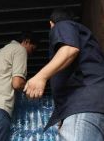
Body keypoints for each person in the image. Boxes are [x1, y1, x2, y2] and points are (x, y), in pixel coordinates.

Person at [24, 8, 104, 141]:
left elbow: (69, 49)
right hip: (92, 106)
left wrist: (40, 76)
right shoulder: (87, 40)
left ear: (51, 24)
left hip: (83, 104)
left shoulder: (63, 25)